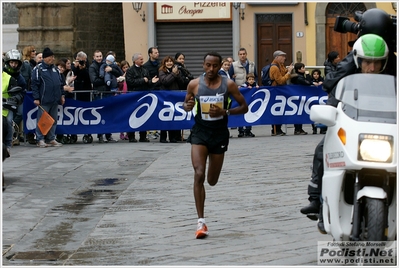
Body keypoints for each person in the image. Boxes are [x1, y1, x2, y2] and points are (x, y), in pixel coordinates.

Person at [300, 34, 392, 234]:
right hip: (355, 129)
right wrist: (330, 113)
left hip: (386, 130)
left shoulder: (392, 77)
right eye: (367, 62)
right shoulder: (346, 76)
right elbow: (332, 98)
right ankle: (316, 199)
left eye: (377, 63)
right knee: (322, 149)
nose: (372, 68)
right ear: (358, 59)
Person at [182, 51, 249, 239]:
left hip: (219, 134)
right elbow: (186, 103)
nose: (211, 69)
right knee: (199, 173)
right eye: (207, 65)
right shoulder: (194, 84)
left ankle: (211, 173)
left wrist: (225, 111)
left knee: (211, 180)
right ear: (203, 65)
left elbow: (245, 107)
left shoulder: (228, 84)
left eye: (214, 66)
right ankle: (201, 222)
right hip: (200, 132)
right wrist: (186, 106)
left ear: (220, 66)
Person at [31, 47, 65, 148]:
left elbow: (60, 83)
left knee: (53, 120)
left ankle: (51, 138)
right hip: (44, 99)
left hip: (54, 99)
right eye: (50, 57)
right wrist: (36, 98)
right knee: (42, 120)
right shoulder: (38, 69)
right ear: (45, 58)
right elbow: (34, 84)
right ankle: (40, 139)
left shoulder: (55, 69)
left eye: (53, 57)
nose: (52, 59)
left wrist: (62, 95)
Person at [125, 52, 159, 142]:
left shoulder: (145, 69)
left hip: (144, 95)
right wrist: (142, 80)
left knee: (144, 114)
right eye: (140, 59)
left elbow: (147, 81)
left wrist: (152, 81)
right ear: (135, 60)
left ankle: (143, 136)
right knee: (132, 114)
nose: (142, 60)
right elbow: (130, 82)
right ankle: (131, 136)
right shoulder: (130, 70)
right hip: (134, 95)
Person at [88, 50, 119, 143]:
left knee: (109, 114)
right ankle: (101, 135)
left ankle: (109, 135)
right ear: (94, 57)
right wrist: (105, 79)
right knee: (101, 115)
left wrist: (111, 70)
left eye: (100, 56)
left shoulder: (107, 64)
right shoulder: (92, 67)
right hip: (99, 93)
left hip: (108, 92)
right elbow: (94, 80)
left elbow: (118, 73)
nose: (99, 58)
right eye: (97, 56)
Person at [228, 48, 256, 138]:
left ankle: (248, 130)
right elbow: (230, 78)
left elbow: (255, 76)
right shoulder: (234, 65)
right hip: (239, 91)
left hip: (249, 90)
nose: (242, 55)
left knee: (249, 108)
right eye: (240, 54)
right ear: (238, 55)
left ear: (246, 54)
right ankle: (240, 130)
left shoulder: (252, 64)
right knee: (239, 109)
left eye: (244, 54)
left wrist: (255, 85)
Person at [158, 55, 185, 143]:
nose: (169, 63)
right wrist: (173, 74)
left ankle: (173, 137)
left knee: (173, 116)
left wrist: (177, 75)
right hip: (165, 97)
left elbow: (182, 83)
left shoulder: (177, 71)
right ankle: (163, 137)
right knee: (165, 116)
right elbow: (165, 81)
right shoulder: (162, 71)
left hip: (174, 96)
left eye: (171, 61)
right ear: (164, 63)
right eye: (167, 61)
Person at [2, 52, 25, 155]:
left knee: (8, 122)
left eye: (16, 63)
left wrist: (14, 99)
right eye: (11, 62)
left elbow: (21, 91)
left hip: (6, 106)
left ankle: (7, 144)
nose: (13, 65)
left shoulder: (13, 78)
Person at [269, 50, 295, 136]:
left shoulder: (281, 65)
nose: (284, 58)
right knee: (276, 109)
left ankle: (278, 128)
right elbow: (280, 80)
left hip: (280, 91)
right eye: (282, 56)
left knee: (281, 109)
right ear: (277, 57)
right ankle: (276, 129)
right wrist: (288, 73)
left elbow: (283, 74)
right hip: (276, 90)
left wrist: (288, 70)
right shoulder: (274, 68)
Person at [174, 52, 194, 141]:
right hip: (179, 91)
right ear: (176, 59)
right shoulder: (177, 68)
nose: (182, 60)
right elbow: (182, 81)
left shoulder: (183, 68)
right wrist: (187, 79)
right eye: (180, 59)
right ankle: (177, 135)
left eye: (183, 59)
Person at [291, 62, 313, 135]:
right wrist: (307, 75)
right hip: (298, 96)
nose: (304, 69)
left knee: (299, 112)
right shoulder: (299, 77)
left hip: (299, 96)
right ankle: (297, 129)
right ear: (299, 69)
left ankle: (299, 128)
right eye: (303, 68)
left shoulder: (299, 76)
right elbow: (308, 83)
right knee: (298, 112)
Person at [118, 60, 130, 140]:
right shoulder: (120, 76)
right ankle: (121, 132)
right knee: (123, 116)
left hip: (129, 96)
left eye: (127, 67)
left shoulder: (130, 75)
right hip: (122, 96)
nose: (126, 69)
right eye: (124, 67)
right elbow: (119, 85)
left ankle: (128, 133)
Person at [309, 69, 324, 134]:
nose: (316, 76)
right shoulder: (310, 80)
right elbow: (306, 82)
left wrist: (322, 83)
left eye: (317, 74)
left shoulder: (322, 80)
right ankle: (314, 129)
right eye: (314, 74)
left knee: (321, 113)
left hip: (320, 99)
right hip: (312, 98)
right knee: (313, 114)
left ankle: (322, 129)